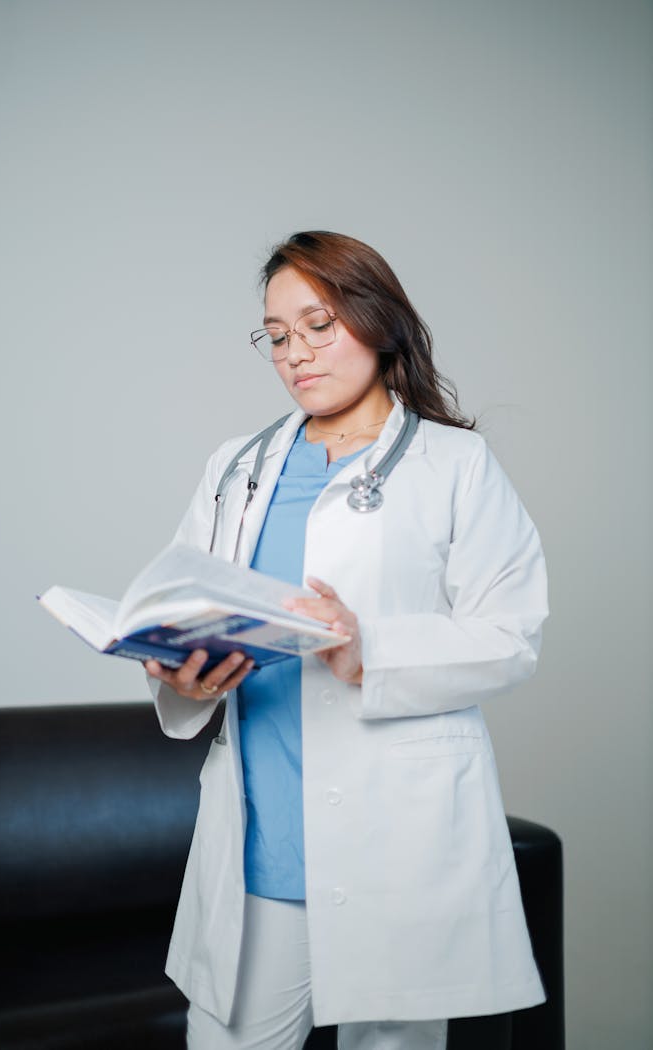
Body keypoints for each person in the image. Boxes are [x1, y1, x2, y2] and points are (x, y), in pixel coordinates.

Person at [145, 231, 548, 1050]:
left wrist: (374, 651)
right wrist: (183, 675)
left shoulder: (454, 465)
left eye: (319, 324)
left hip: (393, 843)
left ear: (377, 320)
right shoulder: (236, 467)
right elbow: (193, 601)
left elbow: (511, 633)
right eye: (278, 335)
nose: (296, 353)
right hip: (259, 845)